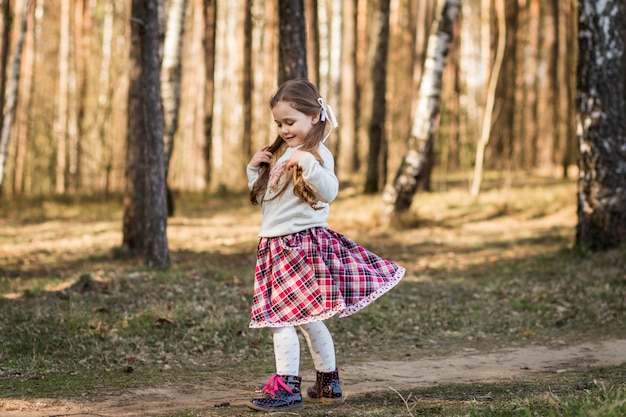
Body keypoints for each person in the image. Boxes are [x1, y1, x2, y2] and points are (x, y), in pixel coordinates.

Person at [246, 79, 405, 412]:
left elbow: (330, 190)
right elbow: (270, 202)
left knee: (280, 320)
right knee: (307, 318)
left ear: (315, 116)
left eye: (290, 122)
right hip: (277, 246)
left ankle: (286, 385)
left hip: (298, 248)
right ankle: (327, 382)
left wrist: (307, 163)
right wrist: (255, 170)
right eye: (279, 123)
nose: (284, 129)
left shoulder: (317, 154)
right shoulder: (286, 154)